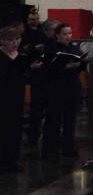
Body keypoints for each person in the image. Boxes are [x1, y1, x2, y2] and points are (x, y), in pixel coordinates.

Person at [42, 23, 85, 159]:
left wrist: (80, 64)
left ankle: (68, 148)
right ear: (57, 35)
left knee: (70, 120)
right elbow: (49, 68)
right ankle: (50, 150)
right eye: (65, 34)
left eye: (70, 33)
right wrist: (67, 66)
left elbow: (80, 65)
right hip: (56, 88)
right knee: (54, 120)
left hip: (72, 86)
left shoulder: (74, 47)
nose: (68, 37)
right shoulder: (52, 48)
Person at [0, 26, 30, 173]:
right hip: (3, 96)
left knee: (15, 129)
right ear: (2, 41)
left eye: (17, 39)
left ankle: (13, 160)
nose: (15, 43)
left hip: (17, 96)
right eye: (11, 40)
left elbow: (26, 76)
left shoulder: (22, 57)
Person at [27, 18, 59, 146]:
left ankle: (49, 139)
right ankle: (33, 138)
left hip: (53, 81)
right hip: (39, 81)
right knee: (36, 111)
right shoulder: (37, 42)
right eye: (54, 30)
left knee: (52, 112)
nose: (57, 33)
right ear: (46, 30)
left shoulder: (55, 42)